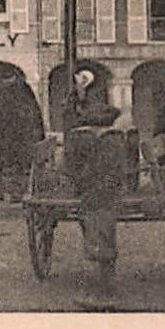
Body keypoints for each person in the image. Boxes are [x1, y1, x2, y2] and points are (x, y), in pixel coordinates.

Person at [67, 68, 125, 309]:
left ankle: (99, 293)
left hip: (91, 193)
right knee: (105, 236)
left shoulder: (82, 138)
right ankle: (106, 287)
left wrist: (78, 183)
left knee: (94, 238)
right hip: (109, 192)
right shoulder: (114, 139)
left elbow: (70, 167)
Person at [0, 74, 45, 202]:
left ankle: (12, 192)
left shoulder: (13, 92)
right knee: (3, 165)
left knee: (12, 165)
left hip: (11, 136)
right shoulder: (14, 91)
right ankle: (4, 192)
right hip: (4, 135)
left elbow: (28, 115)